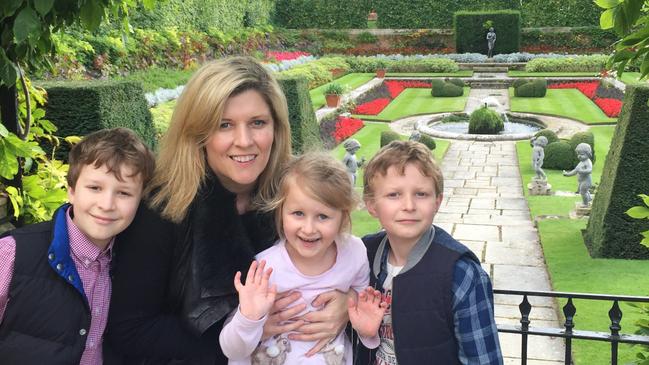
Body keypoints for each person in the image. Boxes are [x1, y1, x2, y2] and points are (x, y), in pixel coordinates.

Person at [106, 57, 351, 364]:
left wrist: (348, 305)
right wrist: (242, 334)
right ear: (198, 133)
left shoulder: (296, 198)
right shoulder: (162, 209)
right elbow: (130, 330)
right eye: (224, 125)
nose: (244, 141)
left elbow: (346, 258)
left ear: (276, 128)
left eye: (257, 123)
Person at [0, 127, 155, 364]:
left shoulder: (132, 261)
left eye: (124, 193)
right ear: (71, 190)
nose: (107, 204)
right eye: (95, 188)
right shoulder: (12, 253)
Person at [219, 153, 386, 364]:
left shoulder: (354, 253)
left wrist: (366, 330)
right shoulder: (265, 268)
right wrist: (249, 320)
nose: (308, 229)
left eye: (323, 216)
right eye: (298, 213)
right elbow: (231, 349)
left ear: (343, 217)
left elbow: (360, 311)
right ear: (281, 212)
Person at [356, 140, 503, 365]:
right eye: (394, 195)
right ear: (372, 204)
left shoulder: (461, 274)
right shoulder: (362, 254)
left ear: (437, 201)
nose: (409, 205)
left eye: (421, 194)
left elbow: (483, 359)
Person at [563, 143, 593, 207]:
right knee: (585, 191)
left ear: (588, 154)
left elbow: (589, 170)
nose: (579, 156)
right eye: (578, 154)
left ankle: (585, 204)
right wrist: (567, 174)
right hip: (582, 181)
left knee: (583, 192)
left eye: (582, 154)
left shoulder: (588, 162)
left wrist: (582, 171)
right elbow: (575, 171)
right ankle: (589, 199)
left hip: (586, 181)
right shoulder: (581, 162)